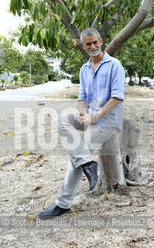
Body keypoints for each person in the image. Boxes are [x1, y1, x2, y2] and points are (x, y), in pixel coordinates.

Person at [38, 28, 125, 219]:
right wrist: (83, 113)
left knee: (76, 156)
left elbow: (117, 97)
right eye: (88, 44)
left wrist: (93, 118)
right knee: (63, 120)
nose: (92, 46)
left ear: (101, 41)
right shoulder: (84, 69)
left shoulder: (114, 65)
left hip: (107, 121)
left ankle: (62, 203)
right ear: (83, 46)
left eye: (95, 42)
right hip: (90, 116)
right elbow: (82, 97)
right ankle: (88, 164)